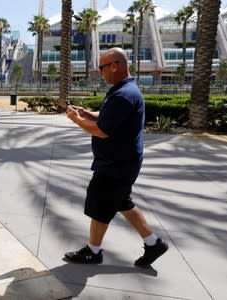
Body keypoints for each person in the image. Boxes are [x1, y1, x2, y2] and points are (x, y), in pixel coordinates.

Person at [64, 47, 168, 267]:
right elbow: (106, 117)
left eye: (101, 68)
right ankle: (153, 243)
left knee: (100, 206)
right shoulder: (123, 89)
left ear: (114, 66)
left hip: (116, 165)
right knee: (123, 203)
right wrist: (86, 113)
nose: (100, 73)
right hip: (123, 161)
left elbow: (102, 130)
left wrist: (75, 119)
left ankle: (93, 251)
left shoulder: (123, 94)